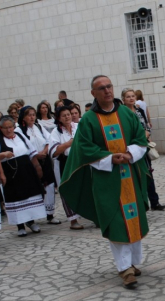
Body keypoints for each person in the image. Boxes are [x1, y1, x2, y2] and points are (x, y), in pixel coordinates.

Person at [60, 75, 150, 289]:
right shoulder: (88, 120)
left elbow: (140, 139)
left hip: (130, 173)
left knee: (133, 217)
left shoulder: (127, 114)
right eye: (101, 88)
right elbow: (84, 148)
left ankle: (132, 262)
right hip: (106, 178)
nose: (107, 91)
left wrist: (129, 154)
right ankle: (125, 269)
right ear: (93, 93)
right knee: (116, 220)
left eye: (109, 86)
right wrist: (110, 157)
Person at [0, 116, 46, 237]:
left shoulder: (20, 136)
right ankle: (20, 226)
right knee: (16, 198)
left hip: (26, 170)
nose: (8, 130)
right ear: (0, 128)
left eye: (10, 127)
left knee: (29, 195)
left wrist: (37, 167)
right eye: (5, 128)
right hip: (11, 173)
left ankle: (31, 221)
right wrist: (3, 155)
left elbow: (32, 152)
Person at [121, 88, 165, 211]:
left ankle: (154, 202)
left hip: (144, 145)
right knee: (137, 174)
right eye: (128, 96)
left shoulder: (139, 109)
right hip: (133, 147)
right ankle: (141, 202)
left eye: (133, 96)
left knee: (148, 172)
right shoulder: (123, 112)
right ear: (123, 99)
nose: (131, 98)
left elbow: (146, 126)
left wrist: (147, 134)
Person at [16, 106, 60, 225]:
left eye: (33, 114)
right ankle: (32, 218)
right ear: (23, 117)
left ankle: (49, 214)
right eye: (29, 115)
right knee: (34, 189)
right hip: (31, 163)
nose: (32, 117)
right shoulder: (19, 130)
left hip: (44, 160)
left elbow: (48, 140)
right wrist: (36, 155)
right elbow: (23, 146)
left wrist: (44, 152)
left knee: (49, 186)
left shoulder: (38, 127)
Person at [49, 107, 84, 230]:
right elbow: (54, 152)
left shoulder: (78, 126)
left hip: (81, 162)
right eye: (64, 115)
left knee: (85, 188)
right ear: (59, 118)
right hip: (65, 163)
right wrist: (69, 143)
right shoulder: (56, 132)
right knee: (67, 190)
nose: (67, 117)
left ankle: (92, 215)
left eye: (68, 114)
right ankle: (73, 220)